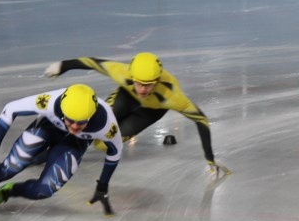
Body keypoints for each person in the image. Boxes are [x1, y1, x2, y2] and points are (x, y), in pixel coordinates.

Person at [0, 83, 122, 221]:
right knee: (9, 167)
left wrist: (102, 186)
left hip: (74, 144)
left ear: (93, 114)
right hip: (46, 128)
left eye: (81, 123)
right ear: (62, 110)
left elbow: (115, 152)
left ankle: (9, 191)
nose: (73, 126)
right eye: (69, 120)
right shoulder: (50, 102)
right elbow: (10, 109)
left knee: (45, 190)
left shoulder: (106, 124)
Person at [44, 52, 230, 177]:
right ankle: (47, 152)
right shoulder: (122, 73)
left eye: (148, 84)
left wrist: (210, 157)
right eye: (139, 83)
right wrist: (63, 65)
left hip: (151, 111)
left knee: (102, 145)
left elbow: (201, 120)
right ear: (131, 77)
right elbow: (93, 63)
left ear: (157, 81)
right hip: (127, 96)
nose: (142, 89)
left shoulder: (171, 95)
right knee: (92, 124)